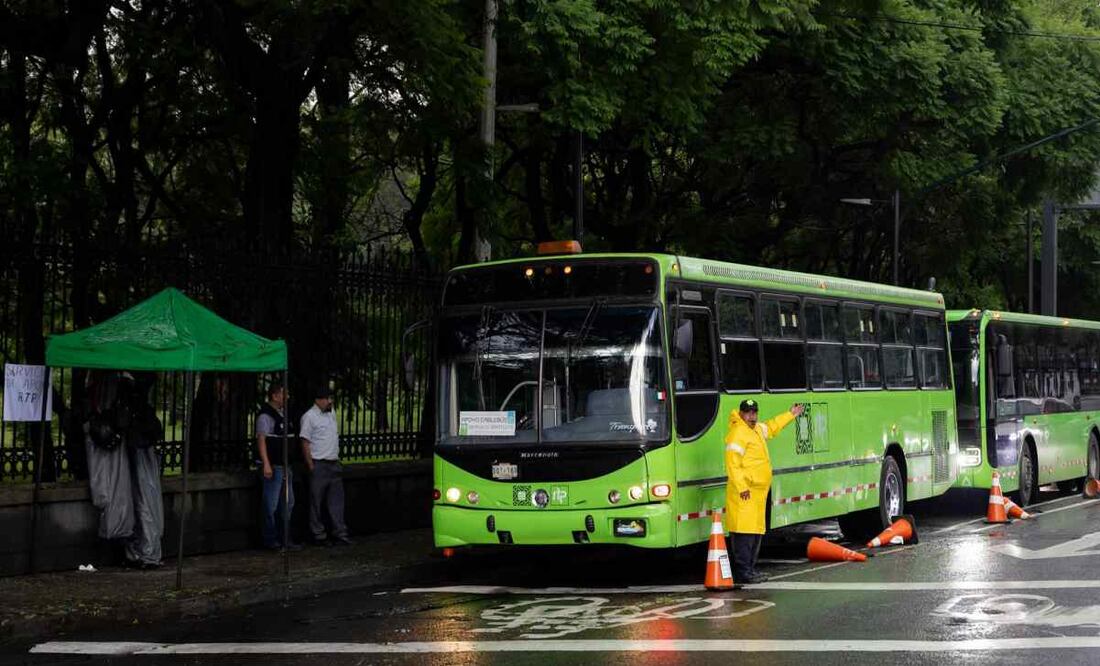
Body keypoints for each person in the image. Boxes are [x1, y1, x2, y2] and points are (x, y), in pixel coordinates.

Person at [724, 398, 804, 584]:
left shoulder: (757, 429)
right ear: (741, 414)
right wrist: (742, 487)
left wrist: (790, 414)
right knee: (744, 532)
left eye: (754, 412)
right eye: (748, 413)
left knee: (755, 531)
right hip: (745, 492)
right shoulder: (738, 434)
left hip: (757, 493)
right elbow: (732, 465)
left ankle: (750, 570)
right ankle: (744, 571)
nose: (752, 416)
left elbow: (773, 426)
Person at [300, 385, 351, 546]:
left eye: (331, 398)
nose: (330, 401)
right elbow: (305, 441)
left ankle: (340, 533)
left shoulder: (331, 414)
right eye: (327, 399)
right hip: (319, 463)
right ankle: (318, 535)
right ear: (318, 400)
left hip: (333, 462)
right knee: (316, 501)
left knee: (337, 501)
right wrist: (311, 465)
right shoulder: (309, 417)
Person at [256, 382, 299, 551]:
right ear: (274, 396)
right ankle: (271, 539)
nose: (286, 397)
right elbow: (262, 440)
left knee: (287, 503)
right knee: (271, 504)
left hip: (284, 465)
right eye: (283, 394)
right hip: (273, 466)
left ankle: (285, 538)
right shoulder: (265, 416)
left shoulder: (283, 414)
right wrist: (266, 464)